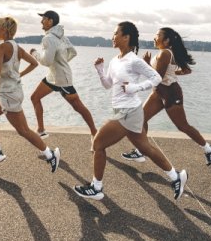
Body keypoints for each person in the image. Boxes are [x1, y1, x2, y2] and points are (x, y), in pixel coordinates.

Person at [73, 22, 188, 201]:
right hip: (125, 109)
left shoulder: (134, 60)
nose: (113, 37)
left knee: (98, 144)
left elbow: (156, 78)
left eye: (115, 33)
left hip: (128, 111)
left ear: (126, 37)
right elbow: (107, 85)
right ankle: (176, 177)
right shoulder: (115, 60)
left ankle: (96, 187)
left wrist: (135, 87)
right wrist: (100, 71)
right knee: (145, 148)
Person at [120, 27, 211, 166]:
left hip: (171, 94)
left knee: (183, 126)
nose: (154, 38)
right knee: (141, 119)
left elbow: (157, 77)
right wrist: (171, 73)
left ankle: (209, 149)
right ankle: (141, 150)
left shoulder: (165, 54)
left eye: (157, 35)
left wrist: (146, 66)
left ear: (166, 40)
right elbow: (184, 70)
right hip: (159, 92)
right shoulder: (163, 53)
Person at [0, 16, 60, 172]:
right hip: (12, 92)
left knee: (23, 130)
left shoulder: (1, 48)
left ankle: (50, 155)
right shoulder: (16, 47)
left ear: (4, 29)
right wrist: (19, 75)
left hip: (8, 95)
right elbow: (34, 63)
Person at [29, 10, 97, 142]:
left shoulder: (48, 38)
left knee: (78, 107)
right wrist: (62, 63)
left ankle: (95, 134)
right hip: (53, 77)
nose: (41, 21)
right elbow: (73, 52)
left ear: (50, 21)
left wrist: (34, 53)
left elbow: (46, 61)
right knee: (35, 97)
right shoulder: (62, 37)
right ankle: (41, 130)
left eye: (43, 19)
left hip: (62, 80)